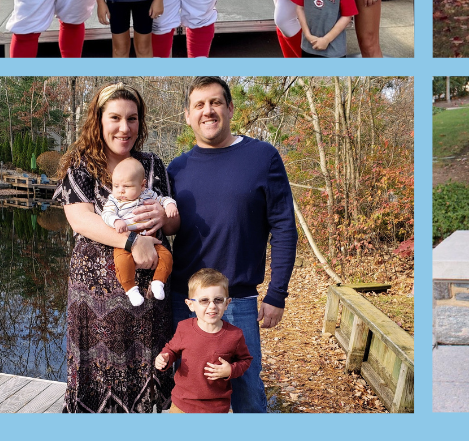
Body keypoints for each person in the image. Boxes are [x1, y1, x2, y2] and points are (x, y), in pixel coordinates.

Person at [168, 77, 298, 413]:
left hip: (237, 303)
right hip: (184, 302)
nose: (207, 111)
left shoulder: (262, 157)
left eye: (215, 103)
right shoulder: (176, 169)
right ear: (187, 115)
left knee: (247, 397)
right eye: (199, 105)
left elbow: (283, 226)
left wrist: (277, 293)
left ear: (230, 108)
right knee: (186, 396)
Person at [53, 82, 176, 412]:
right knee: (97, 377)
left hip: (151, 292)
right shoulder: (81, 166)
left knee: (147, 370)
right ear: (99, 120)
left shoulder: (152, 165)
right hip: (95, 297)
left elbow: (176, 223)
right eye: (116, 118)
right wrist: (132, 241)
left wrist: (164, 217)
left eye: (133, 118)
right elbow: (81, 221)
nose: (125, 128)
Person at [155, 268, 254, 413]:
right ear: (190, 304)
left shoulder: (234, 335)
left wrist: (230, 370)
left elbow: (245, 360)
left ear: (227, 303)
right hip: (182, 405)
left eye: (218, 300)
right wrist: (164, 359)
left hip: (216, 408)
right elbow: (171, 350)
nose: (212, 306)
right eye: (204, 301)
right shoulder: (184, 328)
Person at [101, 156, 177, 306]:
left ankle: (158, 282)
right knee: (122, 262)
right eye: (116, 186)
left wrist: (170, 206)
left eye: (127, 186)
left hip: (151, 238)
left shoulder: (148, 194)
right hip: (124, 240)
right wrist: (116, 221)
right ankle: (130, 289)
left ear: (142, 185)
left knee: (167, 257)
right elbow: (106, 214)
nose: (121, 191)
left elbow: (164, 199)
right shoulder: (115, 201)